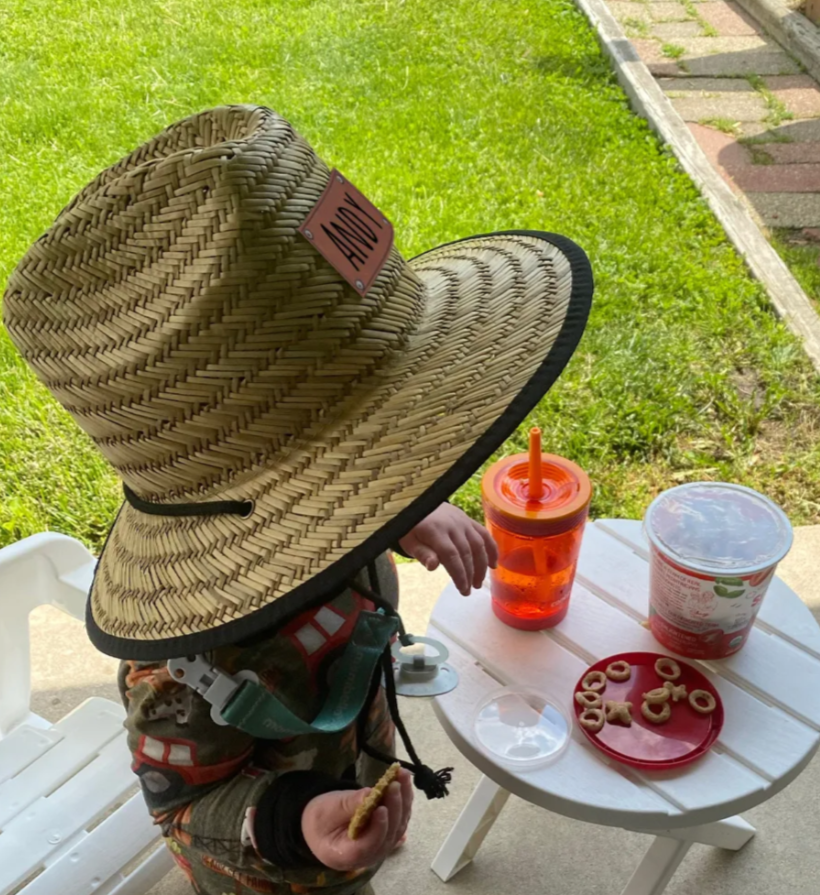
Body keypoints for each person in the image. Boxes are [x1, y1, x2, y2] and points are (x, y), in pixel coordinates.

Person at [3, 105, 592, 894]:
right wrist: (289, 823)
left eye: (393, 463)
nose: (408, 473)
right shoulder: (186, 665)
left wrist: (397, 512)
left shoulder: (313, 519)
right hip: (280, 861)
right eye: (382, 462)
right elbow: (184, 805)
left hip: (358, 745)